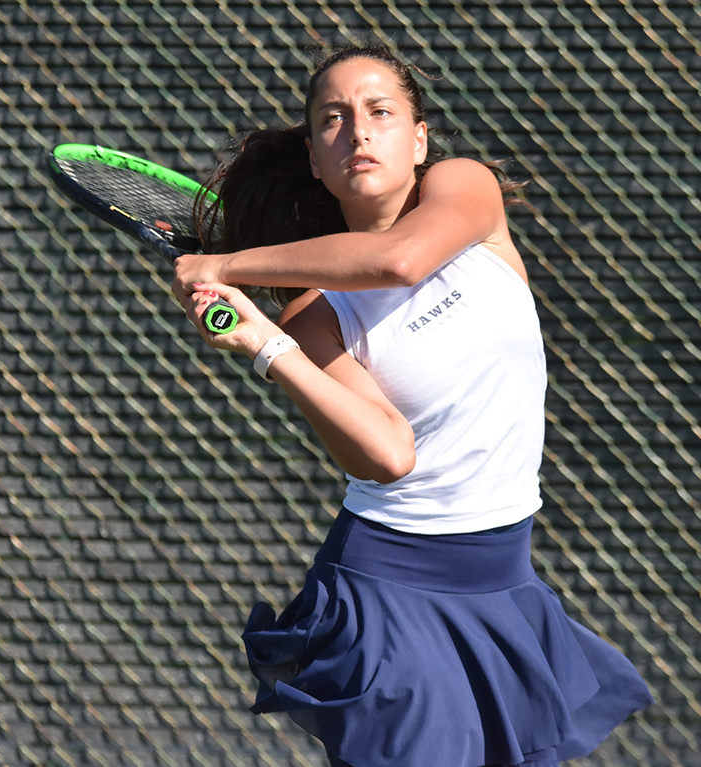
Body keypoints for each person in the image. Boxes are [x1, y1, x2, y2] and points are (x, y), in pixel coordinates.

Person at [173, 45, 652, 767]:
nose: (358, 133)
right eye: (333, 119)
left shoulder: (466, 191)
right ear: (313, 156)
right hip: (391, 593)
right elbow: (390, 454)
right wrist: (268, 346)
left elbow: (398, 259)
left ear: (419, 138)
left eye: (380, 112)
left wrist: (227, 265)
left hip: (503, 582)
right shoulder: (316, 317)